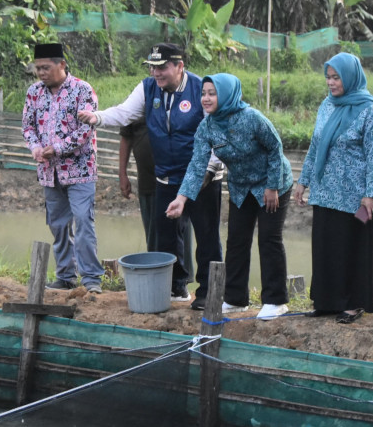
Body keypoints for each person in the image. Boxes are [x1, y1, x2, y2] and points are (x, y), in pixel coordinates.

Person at [78, 43, 223, 311]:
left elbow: (216, 135)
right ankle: (175, 286)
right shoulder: (147, 88)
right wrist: (96, 117)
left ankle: (208, 291)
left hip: (201, 177)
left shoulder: (200, 89)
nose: (156, 73)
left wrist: (208, 171)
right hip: (166, 176)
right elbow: (124, 112)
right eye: (152, 67)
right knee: (166, 236)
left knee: (207, 235)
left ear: (180, 66)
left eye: (162, 67)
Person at [166, 74, 293, 320]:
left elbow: (275, 148)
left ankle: (276, 301)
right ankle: (235, 298)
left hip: (272, 184)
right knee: (236, 240)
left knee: (269, 239)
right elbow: (197, 164)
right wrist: (181, 198)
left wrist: (273, 186)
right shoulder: (207, 127)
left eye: (212, 93)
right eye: (203, 93)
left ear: (226, 94)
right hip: (241, 186)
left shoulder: (252, 118)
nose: (206, 98)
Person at [292, 52, 373, 324]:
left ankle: (354, 303)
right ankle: (327, 301)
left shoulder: (370, 110)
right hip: (324, 191)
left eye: (336, 78)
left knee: (351, 247)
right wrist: (303, 180)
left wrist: (370, 194)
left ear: (350, 77)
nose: (331, 83)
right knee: (325, 246)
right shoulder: (327, 105)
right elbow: (315, 144)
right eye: (328, 77)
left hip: (354, 196)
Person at [22, 42, 104, 293]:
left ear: (62, 65)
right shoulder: (34, 92)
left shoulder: (82, 90)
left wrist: (56, 148)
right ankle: (66, 276)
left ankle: (91, 279)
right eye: (38, 68)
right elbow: (28, 127)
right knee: (58, 225)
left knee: (82, 221)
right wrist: (35, 147)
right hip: (49, 172)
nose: (41, 73)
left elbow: (85, 131)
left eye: (46, 67)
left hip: (79, 170)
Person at [118, 119, 157, 251]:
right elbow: (126, 138)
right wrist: (122, 174)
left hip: (176, 186)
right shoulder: (135, 102)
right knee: (152, 238)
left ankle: (182, 272)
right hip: (147, 183)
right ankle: (155, 270)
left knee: (179, 239)